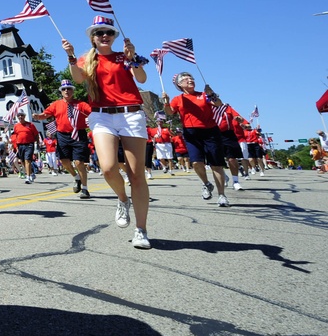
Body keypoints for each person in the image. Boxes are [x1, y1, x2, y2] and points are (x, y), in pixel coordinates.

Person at [63, 15, 151, 250]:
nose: (104, 36)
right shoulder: (87, 59)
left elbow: (142, 78)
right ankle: (123, 199)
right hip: (101, 115)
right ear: (92, 38)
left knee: (136, 174)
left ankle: (141, 230)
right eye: (99, 32)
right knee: (108, 168)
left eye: (109, 32)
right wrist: (71, 57)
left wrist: (134, 60)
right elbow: (78, 78)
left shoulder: (125, 57)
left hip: (131, 114)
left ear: (114, 36)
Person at [162, 73, 229, 207]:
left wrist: (211, 94)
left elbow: (219, 104)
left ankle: (222, 195)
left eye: (191, 78)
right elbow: (169, 112)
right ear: (179, 85)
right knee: (196, 163)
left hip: (210, 131)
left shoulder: (204, 94)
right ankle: (206, 184)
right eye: (186, 79)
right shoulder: (178, 99)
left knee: (216, 164)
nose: (190, 80)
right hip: (191, 133)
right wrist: (165, 102)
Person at [34, 80, 92, 199]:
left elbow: (92, 112)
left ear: (73, 91)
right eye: (64, 89)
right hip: (62, 135)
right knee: (64, 161)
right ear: (61, 91)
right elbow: (45, 114)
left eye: (69, 89)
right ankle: (76, 177)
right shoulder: (56, 104)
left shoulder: (80, 104)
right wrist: (38, 116)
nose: (67, 91)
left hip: (78, 134)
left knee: (79, 162)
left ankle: (85, 189)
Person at [11, 111, 40, 184]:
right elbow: (15, 136)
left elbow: (36, 134)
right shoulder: (16, 126)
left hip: (29, 144)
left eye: (22, 115)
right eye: (19, 116)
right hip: (20, 145)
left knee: (27, 160)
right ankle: (31, 173)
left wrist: (37, 143)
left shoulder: (30, 125)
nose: (20, 117)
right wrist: (15, 146)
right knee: (23, 161)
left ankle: (28, 177)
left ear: (24, 116)